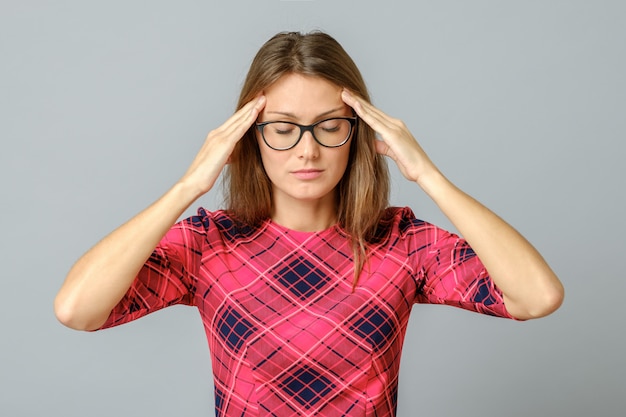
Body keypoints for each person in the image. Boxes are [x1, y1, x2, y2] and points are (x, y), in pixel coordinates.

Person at [54, 31, 564, 416]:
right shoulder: (209, 244)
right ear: (249, 136)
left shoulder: (403, 243)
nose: (307, 149)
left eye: (329, 126)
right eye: (282, 128)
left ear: (357, 131)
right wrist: (189, 185)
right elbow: (78, 310)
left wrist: (427, 173)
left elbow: (537, 297)